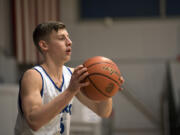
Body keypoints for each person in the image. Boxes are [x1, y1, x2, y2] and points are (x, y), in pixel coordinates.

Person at [14, 21, 124, 135]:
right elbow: (34, 121)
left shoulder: (72, 75)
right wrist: (70, 91)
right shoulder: (33, 76)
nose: (69, 42)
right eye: (62, 38)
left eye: (68, 37)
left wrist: (107, 88)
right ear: (44, 45)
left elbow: (103, 112)